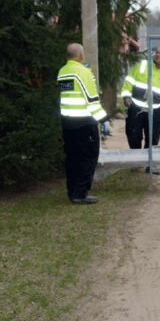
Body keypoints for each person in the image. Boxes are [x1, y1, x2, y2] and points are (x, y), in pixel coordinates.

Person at [57, 43, 107, 204]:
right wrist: (104, 120)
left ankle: (72, 192)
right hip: (85, 123)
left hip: (68, 123)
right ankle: (80, 194)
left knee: (72, 157)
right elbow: (92, 100)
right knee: (88, 157)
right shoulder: (84, 72)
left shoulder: (63, 71)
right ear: (80, 56)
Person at [120, 46, 160, 149]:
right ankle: (137, 159)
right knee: (133, 135)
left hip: (155, 111)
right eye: (157, 52)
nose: (157, 55)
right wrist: (126, 96)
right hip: (136, 108)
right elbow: (128, 81)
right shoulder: (142, 65)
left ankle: (149, 162)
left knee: (153, 138)